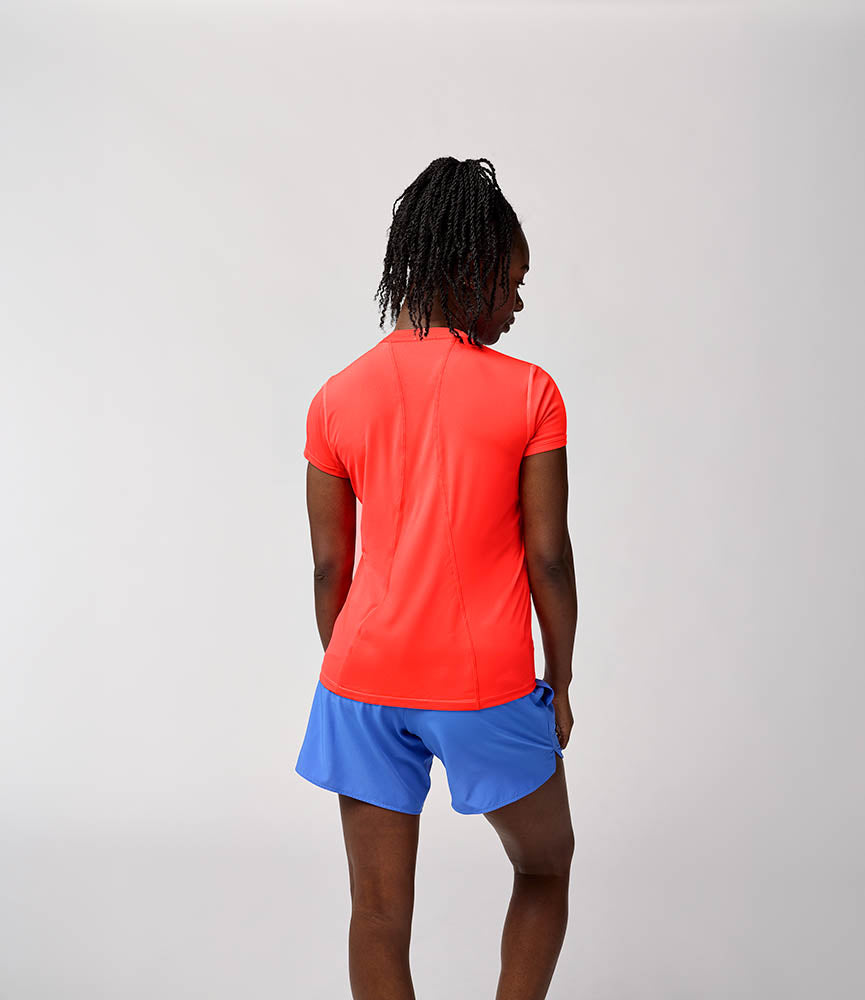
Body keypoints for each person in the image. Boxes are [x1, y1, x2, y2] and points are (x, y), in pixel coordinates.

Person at [295, 156, 578, 999]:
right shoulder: (530, 394)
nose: (517, 305)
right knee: (544, 867)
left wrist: (356, 670)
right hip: (483, 684)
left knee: (377, 913)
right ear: (471, 266)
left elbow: (328, 565)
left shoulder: (335, 397)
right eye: (512, 282)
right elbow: (548, 554)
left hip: (359, 684)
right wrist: (560, 679)